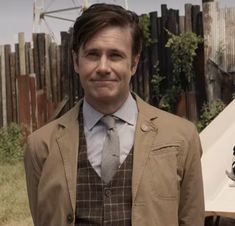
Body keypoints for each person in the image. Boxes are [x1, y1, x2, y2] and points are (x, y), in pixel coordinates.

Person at [24, 3, 204, 226]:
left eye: (115, 55)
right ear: (75, 61)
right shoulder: (41, 147)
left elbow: (192, 219)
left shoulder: (181, 138)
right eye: (92, 54)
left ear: (134, 63)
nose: (103, 67)